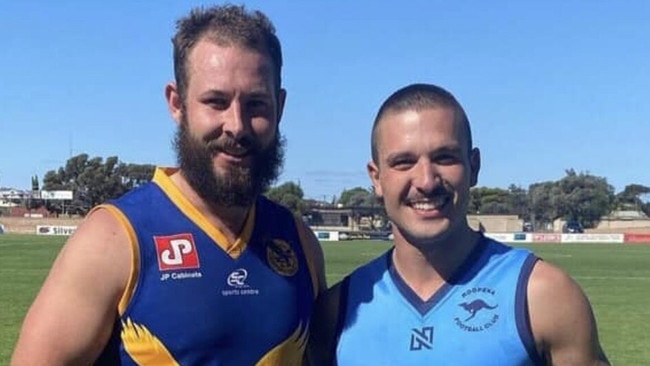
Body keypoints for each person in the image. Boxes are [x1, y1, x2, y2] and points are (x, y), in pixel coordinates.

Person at [11, 5, 326, 365]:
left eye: (256, 104)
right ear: (177, 104)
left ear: (280, 106)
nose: (236, 125)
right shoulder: (113, 240)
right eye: (216, 102)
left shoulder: (299, 244)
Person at [307, 83, 610, 365]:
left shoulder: (543, 295)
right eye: (403, 162)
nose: (426, 181)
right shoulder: (338, 310)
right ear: (376, 178)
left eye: (445, 157)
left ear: (474, 166)